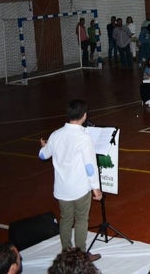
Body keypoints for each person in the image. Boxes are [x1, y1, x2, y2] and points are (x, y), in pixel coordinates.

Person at [38, 100, 103, 261]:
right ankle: (80, 255)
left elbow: (43, 155)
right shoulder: (84, 137)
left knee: (65, 219)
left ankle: (66, 254)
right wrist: (96, 188)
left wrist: (43, 146)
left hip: (62, 189)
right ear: (84, 116)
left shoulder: (55, 135)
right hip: (80, 188)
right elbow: (89, 165)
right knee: (81, 220)